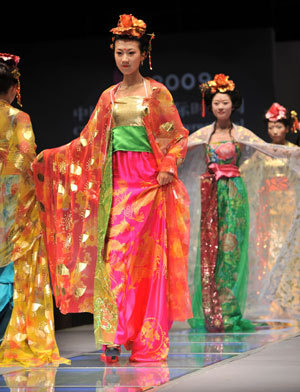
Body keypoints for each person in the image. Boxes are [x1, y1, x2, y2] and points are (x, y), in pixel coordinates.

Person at [33, 14, 192, 362]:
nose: (124, 59)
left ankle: (142, 336)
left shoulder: (157, 93)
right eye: (119, 52)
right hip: (117, 185)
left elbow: (178, 136)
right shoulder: (109, 96)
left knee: (146, 264)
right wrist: (51, 158)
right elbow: (88, 141)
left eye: (131, 53)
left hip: (150, 185)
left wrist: (168, 164)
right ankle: (112, 333)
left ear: (143, 54)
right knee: (114, 259)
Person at [179, 74, 300, 333]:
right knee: (210, 251)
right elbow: (176, 150)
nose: (221, 107)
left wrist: (294, 152)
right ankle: (211, 312)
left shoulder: (240, 133)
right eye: (216, 103)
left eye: (225, 103)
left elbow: (270, 149)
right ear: (210, 106)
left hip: (234, 193)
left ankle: (230, 312)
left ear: (232, 105)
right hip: (210, 194)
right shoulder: (203, 134)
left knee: (231, 252)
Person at [0, 53, 68, 366]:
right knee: (17, 271)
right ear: (15, 87)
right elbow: (28, 160)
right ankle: (13, 335)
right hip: (15, 203)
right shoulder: (19, 118)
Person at [242, 102, 300, 321]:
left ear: (287, 128)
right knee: (270, 251)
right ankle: (274, 303)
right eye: (271, 127)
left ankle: (291, 298)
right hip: (269, 210)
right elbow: (246, 172)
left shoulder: (294, 152)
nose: (275, 131)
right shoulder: (262, 154)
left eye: (279, 127)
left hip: (289, 206)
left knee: (292, 252)